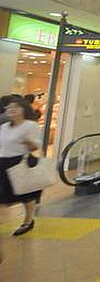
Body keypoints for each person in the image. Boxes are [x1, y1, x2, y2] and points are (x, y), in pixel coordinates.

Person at [0, 99, 43, 236]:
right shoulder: (4, 127)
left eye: (15, 107)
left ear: (24, 109)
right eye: (9, 108)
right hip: (3, 161)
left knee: (26, 193)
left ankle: (28, 221)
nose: (11, 110)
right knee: (3, 194)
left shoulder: (30, 126)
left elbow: (35, 146)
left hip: (21, 161)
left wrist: (27, 141)